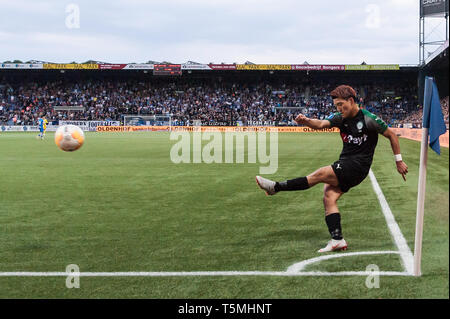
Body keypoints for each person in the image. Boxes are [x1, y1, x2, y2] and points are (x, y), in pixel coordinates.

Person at [255, 85, 408, 253]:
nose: (339, 109)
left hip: (358, 166)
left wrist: (398, 161)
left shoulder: (368, 119)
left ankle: (275, 187)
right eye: (336, 106)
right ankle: (337, 240)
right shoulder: (339, 118)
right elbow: (321, 124)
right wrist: (306, 121)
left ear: (351, 101)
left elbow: (392, 135)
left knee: (320, 174)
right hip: (346, 162)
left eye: (341, 104)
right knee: (329, 197)